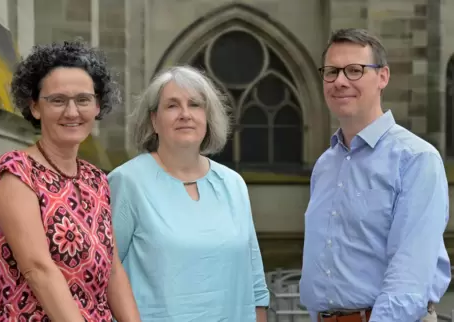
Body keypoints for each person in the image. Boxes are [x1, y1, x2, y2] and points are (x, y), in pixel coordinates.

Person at [299, 28, 450, 322]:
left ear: (383, 77)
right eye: (331, 72)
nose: (340, 81)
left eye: (354, 70)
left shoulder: (416, 159)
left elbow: (409, 278)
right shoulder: (325, 165)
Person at [0, 40, 141, 321]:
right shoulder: (16, 172)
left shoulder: (96, 180)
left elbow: (113, 270)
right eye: (57, 100)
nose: (72, 112)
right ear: (34, 107)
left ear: (97, 106)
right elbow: (38, 270)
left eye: (83, 99)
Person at [108, 65, 270, 321]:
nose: (185, 114)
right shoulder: (127, 182)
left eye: (194, 105)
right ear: (154, 120)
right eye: (172, 106)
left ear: (207, 117)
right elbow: (105, 273)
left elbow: (256, 284)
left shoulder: (233, 183)